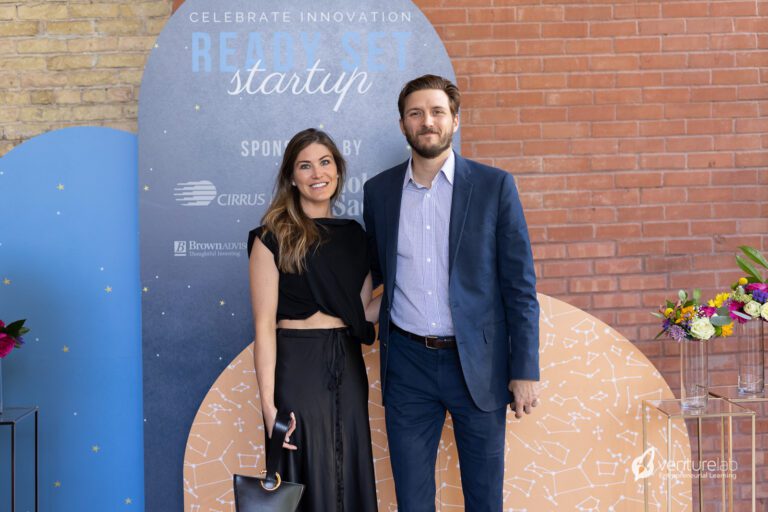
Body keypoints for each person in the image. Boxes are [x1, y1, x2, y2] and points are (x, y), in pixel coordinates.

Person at [362, 74, 540, 512]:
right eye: (416, 113)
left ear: (455, 121)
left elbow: (520, 286)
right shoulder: (379, 192)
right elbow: (372, 268)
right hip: (407, 367)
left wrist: (525, 370)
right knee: (413, 500)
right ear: (402, 124)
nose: (428, 122)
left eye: (437, 112)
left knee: (484, 498)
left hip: (477, 364)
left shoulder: (495, 187)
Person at [248, 128, 379, 512]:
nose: (316, 173)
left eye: (325, 162)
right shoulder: (271, 237)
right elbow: (263, 326)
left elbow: (361, 311)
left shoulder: (354, 235)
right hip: (298, 368)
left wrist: (415, 292)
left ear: (338, 170)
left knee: (346, 465)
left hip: (347, 365)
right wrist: (269, 407)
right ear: (292, 176)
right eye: (305, 166)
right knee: (306, 470)